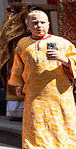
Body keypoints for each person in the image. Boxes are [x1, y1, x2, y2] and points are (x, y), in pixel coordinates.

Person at [8, 10, 76, 148]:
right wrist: (18, 85)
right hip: (34, 96)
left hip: (59, 96)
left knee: (63, 130)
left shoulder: (62, 43)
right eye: (35, 23)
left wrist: (62, 58)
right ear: (28, 25)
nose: (39, 25)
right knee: (36, 130)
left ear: (48, 24)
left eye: (43, 22)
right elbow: (17, 68)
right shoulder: (22, 44)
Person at [0, 0, 30, 120]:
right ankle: (15, 112)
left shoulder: (25, 11)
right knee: (12, 76)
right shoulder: (8, 14)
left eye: (16, 0)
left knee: (23, 76)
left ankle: (25, 110)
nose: (13, 3)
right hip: (11, 52)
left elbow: (30, 28)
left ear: (20, 0)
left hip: (24, 49)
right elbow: (4, 33)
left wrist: (28, 11)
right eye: (11, 1)